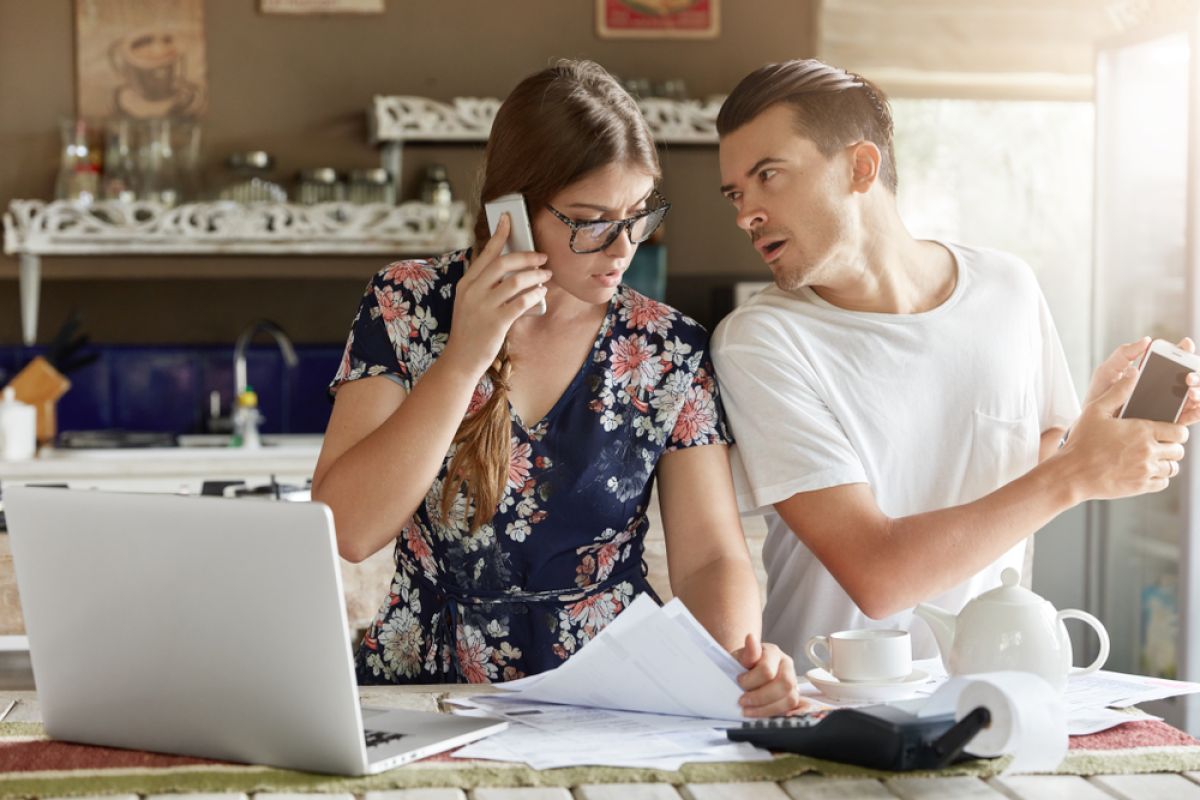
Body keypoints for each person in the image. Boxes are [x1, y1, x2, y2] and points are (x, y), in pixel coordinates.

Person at [312, 59, 802, 715]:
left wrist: (735, 661)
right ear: (509, 209)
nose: (622, 246)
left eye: (638, 214)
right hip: (423, 690)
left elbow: (712, 557)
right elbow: (347, 529)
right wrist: (465, 358)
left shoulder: (666, 348)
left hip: (613, 694)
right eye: (590, 219)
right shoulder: (406, 304)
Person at [709, 58, 1200, 661]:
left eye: (769, 176)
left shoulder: (1008, 286)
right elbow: (878, 577)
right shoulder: (760, 344)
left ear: (861, 167)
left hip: (996, 681)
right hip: (829, 707)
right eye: (737, 191)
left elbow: (1034, 465)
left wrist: (1096, 429)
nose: (744, 214)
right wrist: (1075, 473)